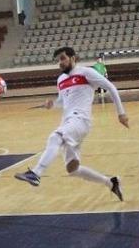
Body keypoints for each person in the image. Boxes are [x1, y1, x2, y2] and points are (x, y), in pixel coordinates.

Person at [14, 47, 127, 200]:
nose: (60, 63)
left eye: (62, 58)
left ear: (73, 57)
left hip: (81, 120)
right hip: (69, 121)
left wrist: (121, 113)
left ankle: (36, 173)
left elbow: (111, 87)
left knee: (55, 137)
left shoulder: (86, 72)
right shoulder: (60, 80)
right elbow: (62, 102)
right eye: (58, 60)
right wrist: (52, 104)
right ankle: (111, 183)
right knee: (72, 169)